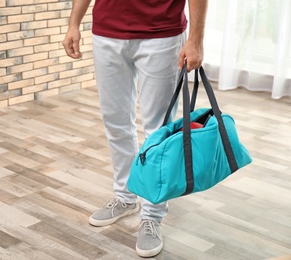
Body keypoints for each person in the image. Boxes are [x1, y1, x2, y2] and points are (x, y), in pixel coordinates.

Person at [63, 0, 208, 257]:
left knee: (158, 132)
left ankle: (152, 214)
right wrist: (74, 23)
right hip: (106, 32)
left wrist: (195, 39)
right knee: (116, 123)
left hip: (161, 33)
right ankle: (125, 196)